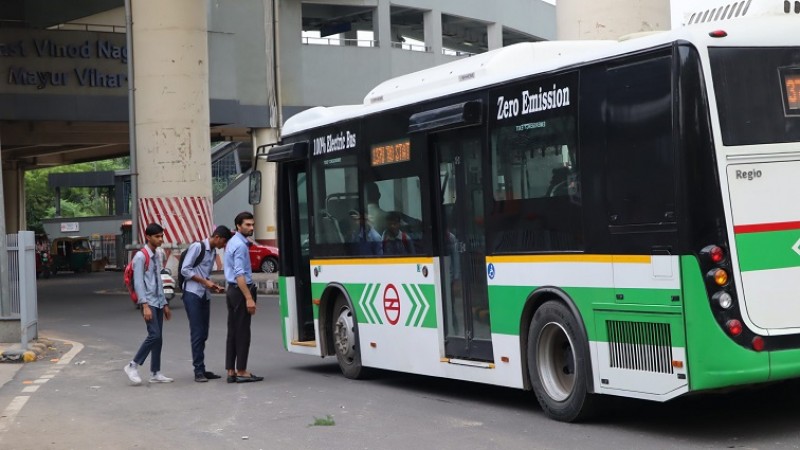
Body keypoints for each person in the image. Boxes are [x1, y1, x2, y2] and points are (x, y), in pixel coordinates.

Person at [181, 225, 232, 382]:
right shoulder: (198, 247)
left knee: (204, 333)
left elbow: (204, 274)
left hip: (204, 294)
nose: (223, 246)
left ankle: (202, 368)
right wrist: (205, 282)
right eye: (223, 242)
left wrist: (212, 285)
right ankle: (198, 371)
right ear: (216, 237)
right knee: (197, 332)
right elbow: (185, 270)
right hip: (192, 294)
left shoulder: (213, 252)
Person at [124, 223, 173, 385]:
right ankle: (132, 365)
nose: (161, 239)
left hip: (158, 301)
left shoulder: (157, 254)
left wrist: (165, 303)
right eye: (157, 236)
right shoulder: (140, 256)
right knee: (154, 335)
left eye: (161, 236)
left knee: (159, 338)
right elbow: (138, 283)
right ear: (148, 237)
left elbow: (159, 279)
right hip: (148, 302)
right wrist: (144, 305)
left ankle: (155, 372)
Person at [224, 211, 263, 383]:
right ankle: (242, 370)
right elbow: (239, 274)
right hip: (241, 290)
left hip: (232, 291)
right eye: (247, 225)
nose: (251, 227)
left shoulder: (233, 242)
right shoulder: (240, 245)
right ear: (238, 226)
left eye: (252, 224)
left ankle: (231, 370)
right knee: (242, 332)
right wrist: (249, 298)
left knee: (233, 331)